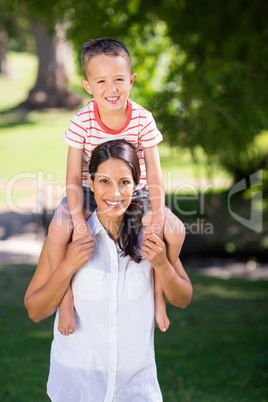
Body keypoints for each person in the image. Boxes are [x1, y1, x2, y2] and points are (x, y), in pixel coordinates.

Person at [24, 140, 193, 402]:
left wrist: (161, 264)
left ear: (137, 185)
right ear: (90, 184)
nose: (115, 193)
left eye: (124, 182)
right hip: (76, 388)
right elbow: (35, 311)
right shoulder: (69, 237)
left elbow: (182, 298)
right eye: (104, 181)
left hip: (137, 389)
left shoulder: (149, 236)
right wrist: (68, 266)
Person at [46, 38, 185, 335]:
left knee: (174, 231)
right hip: (88, 189)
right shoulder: (81, 121)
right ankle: (65, 299)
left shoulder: (142, 119)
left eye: (119, 80)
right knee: (59, 228)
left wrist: (157, 216)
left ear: (131, 80)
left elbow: (156, 176)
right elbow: (72, 177)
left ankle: (159, 298)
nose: (112, 89)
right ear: (88, 86)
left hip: (134, 191)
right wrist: (79, 223)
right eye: (102, 81)